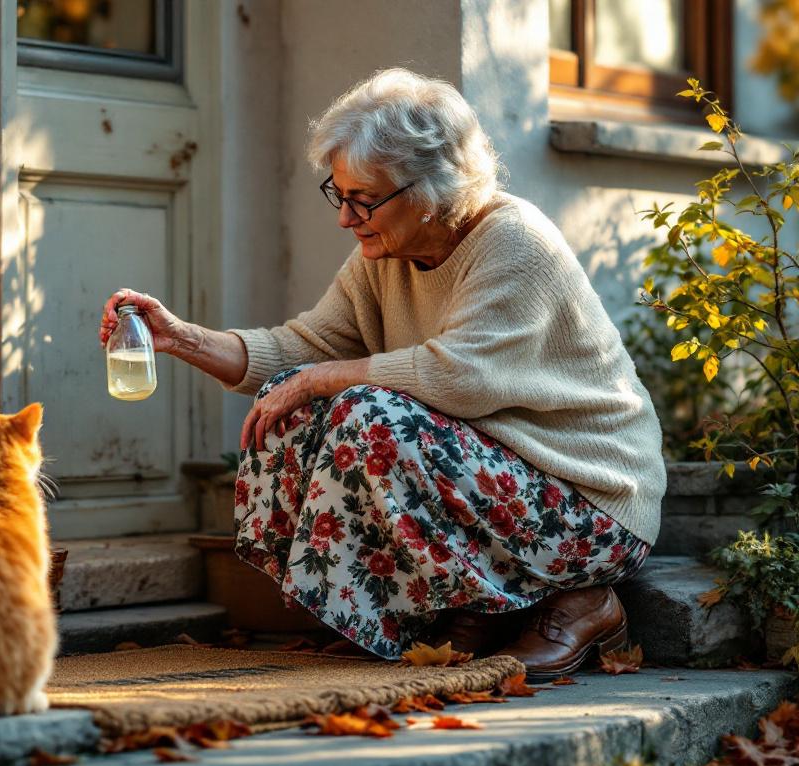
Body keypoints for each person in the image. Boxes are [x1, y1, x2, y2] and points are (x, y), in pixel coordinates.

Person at [96, 68, 664, 680]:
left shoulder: (515, 244)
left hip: (589, 504)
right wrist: (179, 336)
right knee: (292, 405)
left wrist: (324, 378)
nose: (346, 217)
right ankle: (459, 612)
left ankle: (584, 599)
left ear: (434, 186)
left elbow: (463, 378)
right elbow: (303, 350)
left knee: (366, 410)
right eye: (337, 194)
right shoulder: (384, 254)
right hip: (502, 486)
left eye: (363, 198)